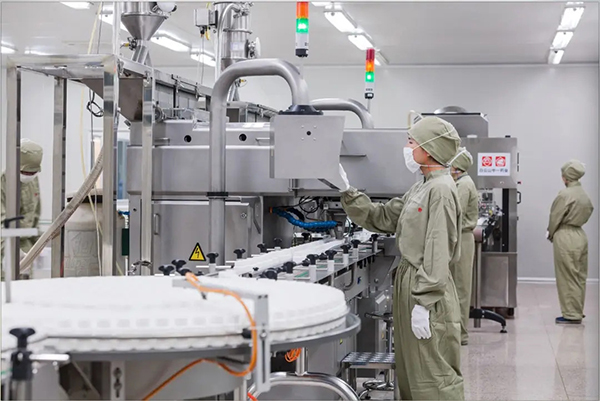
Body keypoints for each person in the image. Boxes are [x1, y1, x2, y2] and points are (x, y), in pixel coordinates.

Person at [338, 116, 464, 400]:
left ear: (428, 149)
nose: (407, 148)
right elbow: (383, 217)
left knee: (432, 374)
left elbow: (437, 250)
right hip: (411, 283)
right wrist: (347, 192)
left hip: (426, 287)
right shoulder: (422, 186)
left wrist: (425, 301)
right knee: (411, 371)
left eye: (411, 142)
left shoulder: (441, 190)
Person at [547, 160, 594, 324]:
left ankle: (571, 314)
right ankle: (577, 310)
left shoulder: (564, 195)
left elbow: (555, 217)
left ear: (565, 177)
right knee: (579, 275)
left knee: (567, 276)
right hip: (580, 234)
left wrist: (551, 233)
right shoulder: (584, 195)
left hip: (565, 235)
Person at [449, 147, 478, 346]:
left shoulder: (464, 185)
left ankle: (460, 334)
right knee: (456, 286)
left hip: (462, 239)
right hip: (459, 237)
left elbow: (453, 211)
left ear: (457, 166)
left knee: (460, 288)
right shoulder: (461, 183)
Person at [1, 139, 43, 265]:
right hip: (4, 245)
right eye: (25, 172)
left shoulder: (32, 181)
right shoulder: (3, 183)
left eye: (33, 172)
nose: (29, 176)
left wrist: (38, 246)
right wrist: (11, 250)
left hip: (25, 245)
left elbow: (35, 215)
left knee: (25, 275)